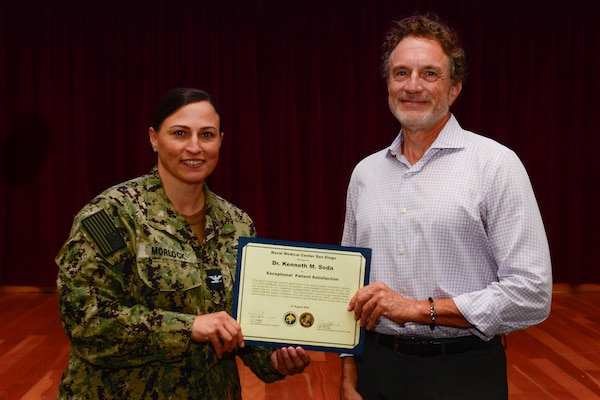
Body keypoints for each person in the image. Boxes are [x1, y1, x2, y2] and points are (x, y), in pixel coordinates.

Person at [339, 14, 552, 400]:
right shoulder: (365, 174)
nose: (413, 85)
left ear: (454, 88)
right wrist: (348, 371)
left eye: (430, 74)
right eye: (401, 72)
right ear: (388, 84)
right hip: (378, 370)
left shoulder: (495, 164)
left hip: (463, 373)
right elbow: (349, 285)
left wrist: (418, 310)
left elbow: (531, 293)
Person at [55, 87, 310, 399]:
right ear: (153, 138)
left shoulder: (237, 223)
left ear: (220, 141)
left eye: (206, 135)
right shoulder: (112, 215)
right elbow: (87, 322)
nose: (194, 147)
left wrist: (273, 359)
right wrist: (188, 327)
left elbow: (244, 324)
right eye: (179, 133)